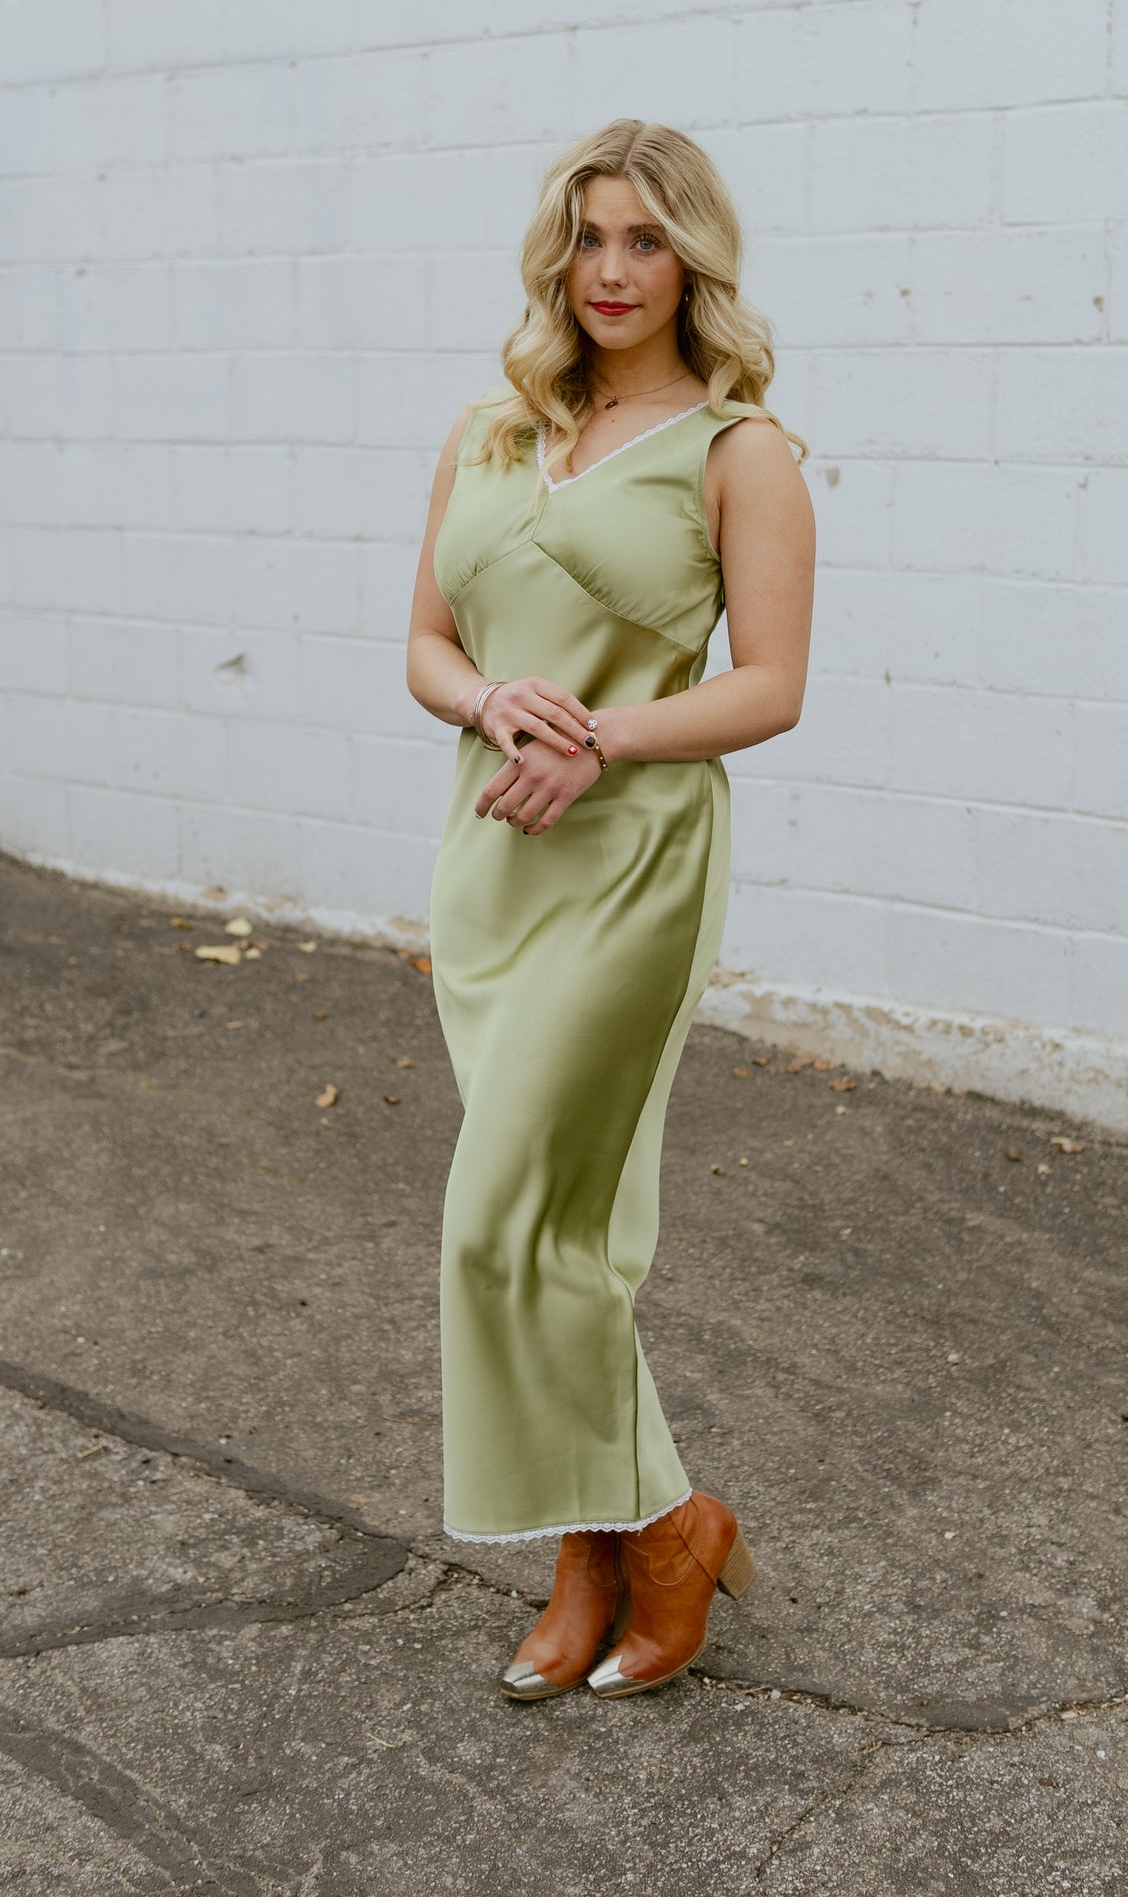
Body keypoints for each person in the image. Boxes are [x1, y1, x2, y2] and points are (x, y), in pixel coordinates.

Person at [405, 118, 815, 1700]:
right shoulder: (490, 428)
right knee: (536, 1242)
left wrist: (598, 737)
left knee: (505, 1224)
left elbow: (770, 688)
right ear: (555, 256)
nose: (613, 271)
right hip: (492, 855)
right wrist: (497, 704)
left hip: (634, 857)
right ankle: (600, 1547)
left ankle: (660, 1528)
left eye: (646, 240)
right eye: (588, 238)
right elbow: (426, 647)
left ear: (692, 258)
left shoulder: (737, 449)